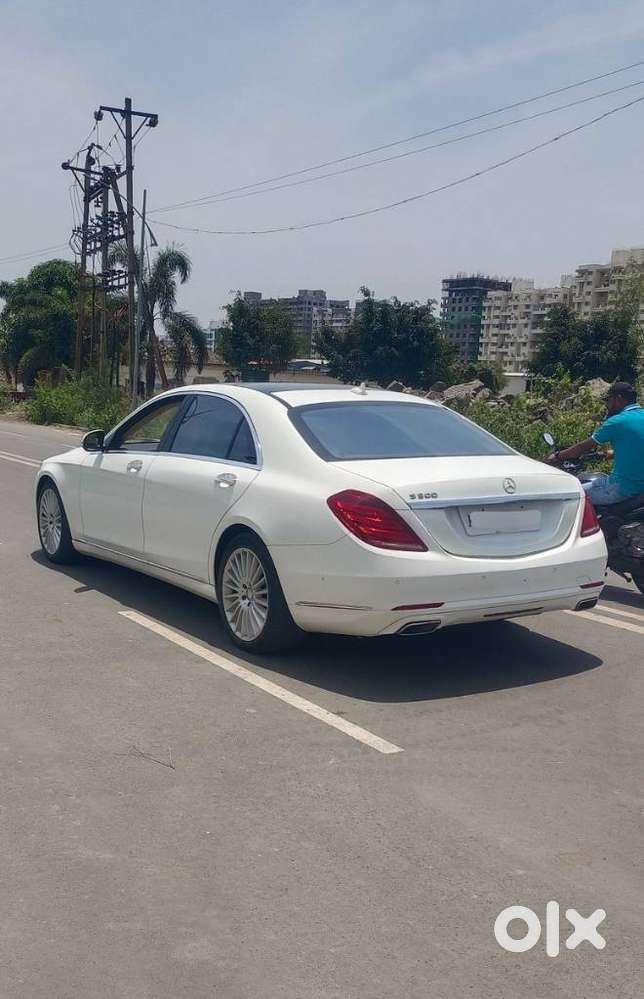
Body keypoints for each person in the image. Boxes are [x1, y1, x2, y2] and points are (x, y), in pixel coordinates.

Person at [546, 381, 644, 506]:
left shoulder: (617, 421)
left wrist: (557, 456)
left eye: (608, 400)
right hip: (640, 489)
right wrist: (611, 453)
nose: (607, 405)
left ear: (618, 399)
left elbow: (583, 447)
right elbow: (636, 444)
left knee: (569, 497)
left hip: (622, 488)